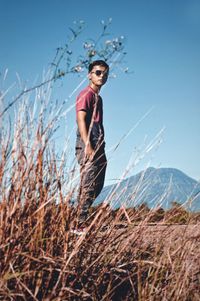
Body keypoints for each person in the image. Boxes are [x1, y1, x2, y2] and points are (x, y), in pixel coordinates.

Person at [75, 60, 109, 228]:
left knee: (97, 183)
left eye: (104, 73)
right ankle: (78, 223)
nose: (101, 76)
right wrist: (88, 145)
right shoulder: (86, 94)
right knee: (88, 183)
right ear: (90, 75)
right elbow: (80, 119)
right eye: (98, 72)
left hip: (99, 144)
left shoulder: (99, 98)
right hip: (87, 142)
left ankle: (81, 217)